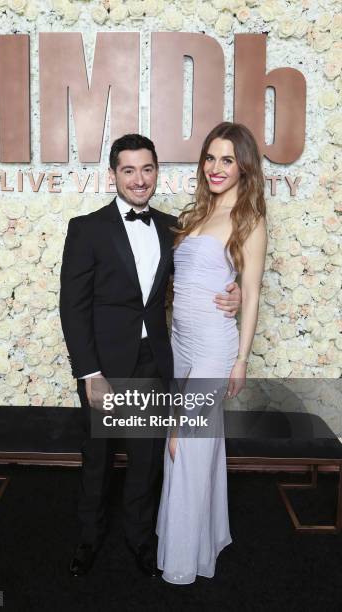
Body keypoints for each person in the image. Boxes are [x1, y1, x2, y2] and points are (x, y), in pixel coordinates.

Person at [59, 134, 241, 578]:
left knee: (146, 462)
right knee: (98, 461)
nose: (139, 180)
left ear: (156, 172)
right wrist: (89, 372)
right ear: (113, 175)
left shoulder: (171, 227)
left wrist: (233, 291)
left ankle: (141, 541)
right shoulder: (87, 228)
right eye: (128, 170)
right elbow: (73, 306)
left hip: (155, 362)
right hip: (105, 365)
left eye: (147, 170)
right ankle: (88, 540)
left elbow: (201, 275)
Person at [156, 122, 267, 584]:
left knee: (187, 445)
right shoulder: (195, 214)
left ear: (244, 166)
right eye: (210, 158)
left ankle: (182, 565)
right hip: (179, 342)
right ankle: (200, 539)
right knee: (184, 445)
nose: (217, 168)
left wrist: (240, 358)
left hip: (214, 346)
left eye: (227, 159)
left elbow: (254, 291)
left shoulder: (249, 219)